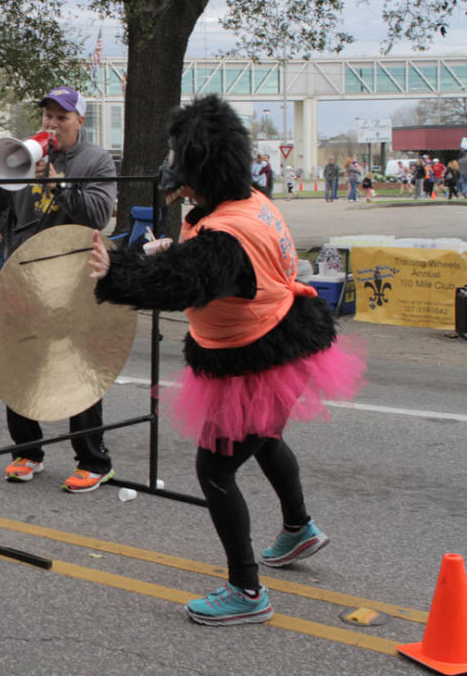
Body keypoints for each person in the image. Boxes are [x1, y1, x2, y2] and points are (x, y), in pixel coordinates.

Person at [88, 95, 364, 626]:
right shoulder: (250, 202)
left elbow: (182, 283)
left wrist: (114, 270)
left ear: (202, 167)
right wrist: (174, 250)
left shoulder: (225, 236)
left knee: (214, 470)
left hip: (254, 359)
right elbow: (210, 265)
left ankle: (246, 591)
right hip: (284, 342)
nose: (174, 169)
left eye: (181, 158)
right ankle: (299, 528)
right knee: (265, 439)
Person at [0, 86, 119, 493]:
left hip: (73, 279)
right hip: (27, 277)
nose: (51, 124)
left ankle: (93, 460)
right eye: (47, 116)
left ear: (79, 122)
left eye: (61, 117)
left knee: (76, 366)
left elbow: (99, 214)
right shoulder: (24, 154)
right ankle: (27, 451)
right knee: (19, 363)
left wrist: (59, 186)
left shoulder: (96, 160)